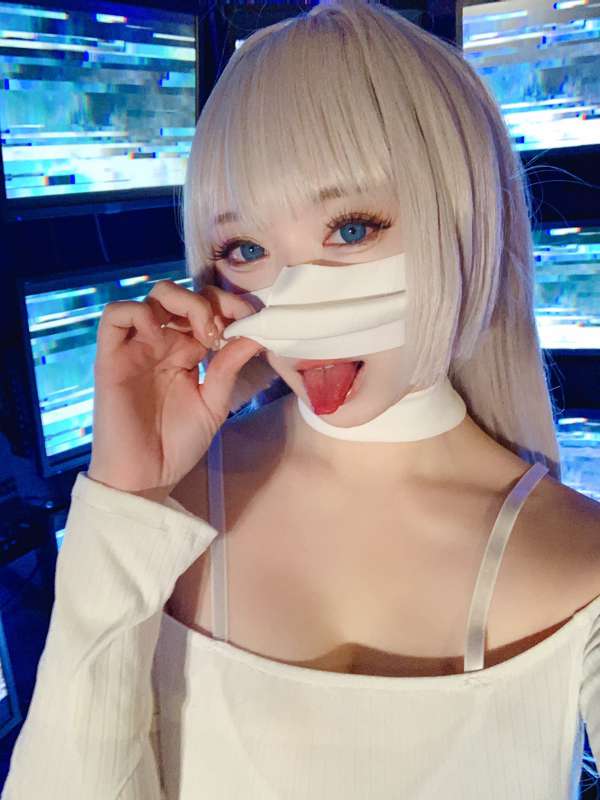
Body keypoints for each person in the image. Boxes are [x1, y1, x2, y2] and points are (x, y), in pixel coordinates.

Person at [3, 0, 600, 797]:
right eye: (246, 248)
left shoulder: (580, 560)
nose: (297, 303)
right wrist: (125, 494)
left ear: (463, 216)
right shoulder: (159, 521)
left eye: (351, 229)